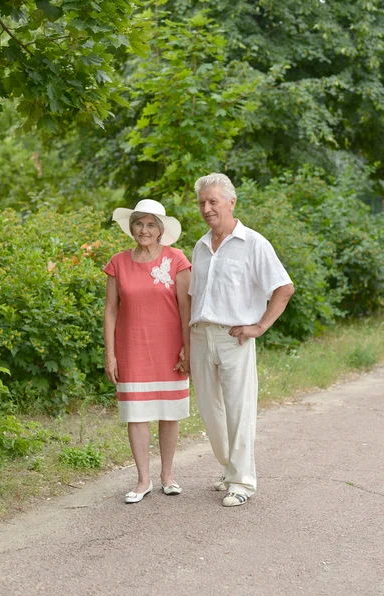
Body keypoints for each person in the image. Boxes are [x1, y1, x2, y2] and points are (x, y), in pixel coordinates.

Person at [189, 173, 294, 507]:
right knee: (209, 411)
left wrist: (260, 327)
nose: (207, 208)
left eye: (213, 201)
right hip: (200, 337)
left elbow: (284, 288)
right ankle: (229, 467)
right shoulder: (201, 246)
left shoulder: (254, 243)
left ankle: (242, 482)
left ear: (231, 202)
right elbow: (193, 297)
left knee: (239, 409)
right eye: (202, 202)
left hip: (234, 338)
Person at [103, 199, 191, 504]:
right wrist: (110, 353)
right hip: (131, 347)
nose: (144, 229)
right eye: (139, 223)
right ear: (131, 227)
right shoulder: (118, 262)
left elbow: (185, 307)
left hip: (169, 348)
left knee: (169, 413)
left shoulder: (177, 259)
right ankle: (143, 480)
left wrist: (187, 347)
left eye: (151, 224)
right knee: (136, 414)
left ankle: (168, 476)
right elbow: (110, 310)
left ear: (161, 230)